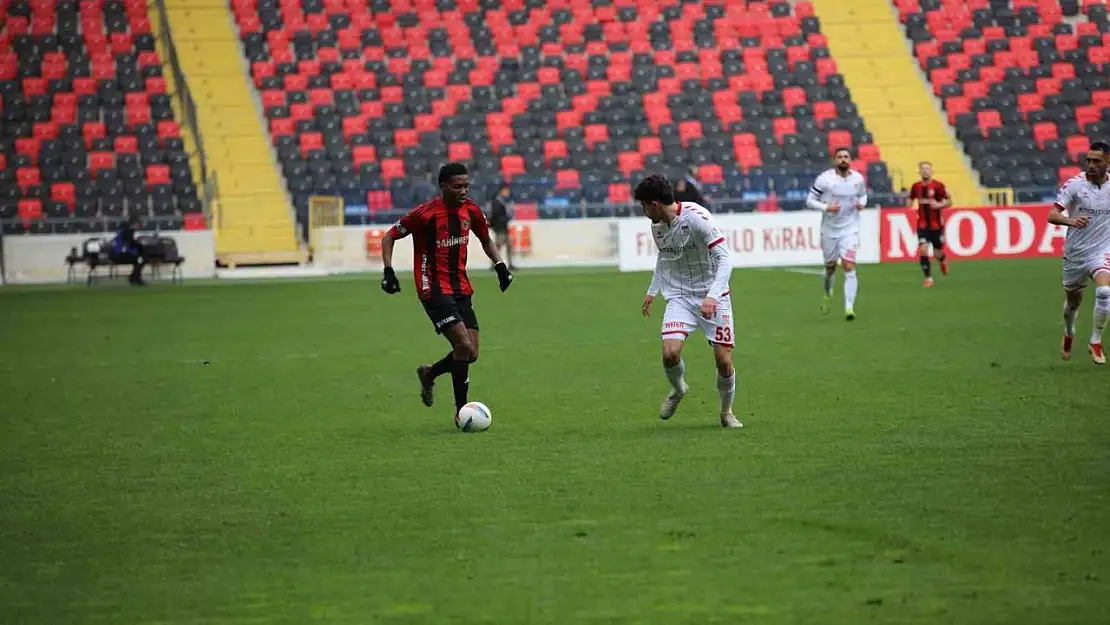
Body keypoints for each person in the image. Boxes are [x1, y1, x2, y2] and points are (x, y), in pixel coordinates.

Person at [379, 163, 515, 421]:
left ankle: (429, 373)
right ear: (443, 186)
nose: (463, 190)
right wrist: (388, 271)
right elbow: (389, 236)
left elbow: (486, 239)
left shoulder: (471, 210)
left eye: (466, 185)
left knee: (471, 353)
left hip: (461, 287)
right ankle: (461, 411)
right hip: (432, 288)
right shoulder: (425, 215)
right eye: (457, 186)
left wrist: (500, 266)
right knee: (462, 345)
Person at [635, 174, 741, 428]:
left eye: (644, 206)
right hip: (680, 297)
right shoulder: (657, 226)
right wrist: (653, 289)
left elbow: (726, 259)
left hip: (713, 296)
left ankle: (726, 412)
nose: (644, 211)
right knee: (670, 353)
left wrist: (713, 296)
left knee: (724, 363)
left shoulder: (697, 219)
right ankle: (679, 389)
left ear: (654, 204)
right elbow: (664, 258)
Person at [1048, 140, 1110, 365]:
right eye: (1088, 161)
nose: (1091, 165)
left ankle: (1095, 340)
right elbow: (1052, 215)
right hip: (1075, 254)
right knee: (1072, 303)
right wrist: (1072, 221)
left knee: (1105, 292)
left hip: (1101, 251)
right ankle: (1069, 331)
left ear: (1108, 161)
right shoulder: (1075, 185)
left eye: (1096, 161)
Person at [806, 148, 868, 320]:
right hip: (829, 230)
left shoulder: (858, 179)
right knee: (830, 267)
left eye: (846, 157)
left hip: (850, 229)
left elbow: (863, 196)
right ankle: (828, 291)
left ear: (850, 160)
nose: (843, 159)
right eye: (840, 157)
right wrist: (826, 207)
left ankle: (849, 308)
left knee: (849, 265)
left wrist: (861, 204)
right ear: (835, 160)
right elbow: (810, 200)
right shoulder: (824, 179)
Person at [908, 161, 951, 287]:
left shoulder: (938, 186)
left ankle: (942, 260)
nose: (926, 171)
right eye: (923, 169)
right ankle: (928, 278)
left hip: (936, 225)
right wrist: (908, 204)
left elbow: (949, 201)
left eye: (928, 169)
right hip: (922, 225)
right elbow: (911, 197)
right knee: (923, 249)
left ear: (931, 171)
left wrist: (939, 205)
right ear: (919, 171)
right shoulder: (916, 186)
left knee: (938, 252)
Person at [111, 214, 146, 285]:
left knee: (140, 258)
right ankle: (135, 278)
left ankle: (134, 277)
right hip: (118, 255)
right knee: (142, 258)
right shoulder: (128, 231)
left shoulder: (125, 230)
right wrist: (141, 245)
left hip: (117, 254)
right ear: (135, 223)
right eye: (138, 223)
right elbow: (130, 245)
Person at [488, 183, 515, 270]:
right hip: (499, 228)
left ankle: (510, 264)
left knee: (508, 246)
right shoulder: (497, 201)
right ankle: (494, 264)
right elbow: (495, 215)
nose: (507, 192)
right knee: (498, 247)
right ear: (501, 191)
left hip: (504, 227)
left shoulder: (505, 201)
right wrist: (504, 218)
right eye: (506, 190)